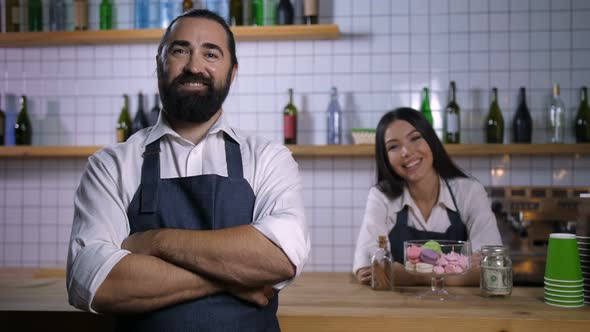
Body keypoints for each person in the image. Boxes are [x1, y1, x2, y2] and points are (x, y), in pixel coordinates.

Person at [66, 9, 309, 331]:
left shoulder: (268, 158)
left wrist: (154, 242)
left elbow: (278, 258)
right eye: (180, 51)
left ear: (232, 72)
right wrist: (235, 278)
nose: (194, 66)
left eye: (211, 53)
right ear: (159, 63)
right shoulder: (110, 165)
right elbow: (95, 281)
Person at [353, 108, 502, 286]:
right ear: (385, 158)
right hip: (398, 309)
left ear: (431, 140)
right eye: (393, 146)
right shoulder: (381, 196)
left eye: (415, 138)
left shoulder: (469, 191)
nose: (406, 152)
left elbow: (493, 269)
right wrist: (460, 270)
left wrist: (407, 274)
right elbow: (368, 270)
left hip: (460, 310)